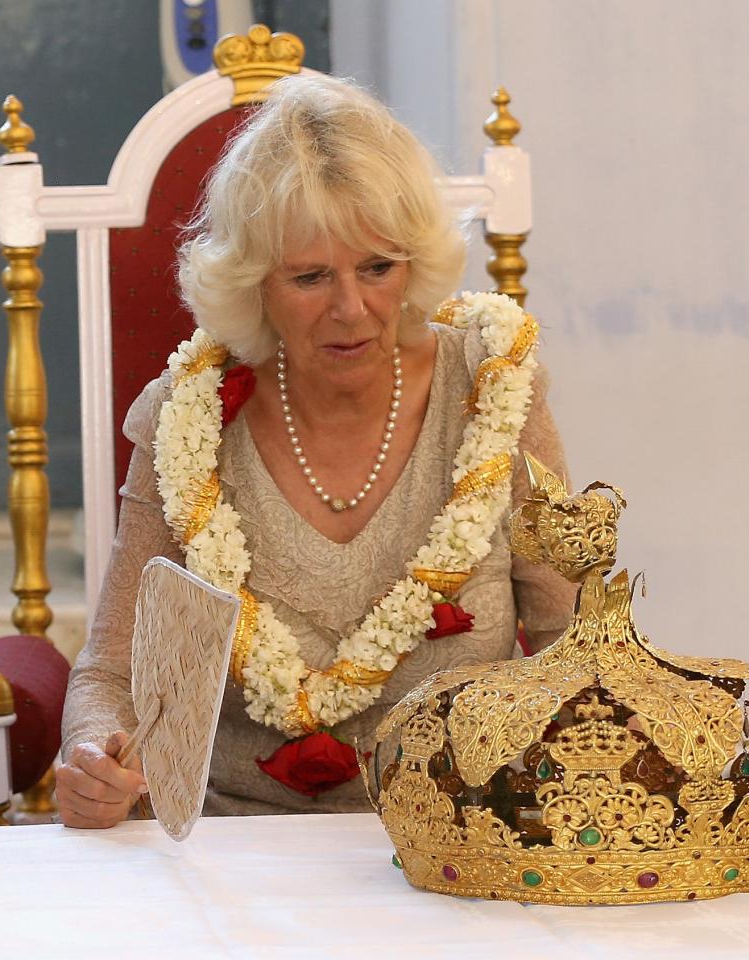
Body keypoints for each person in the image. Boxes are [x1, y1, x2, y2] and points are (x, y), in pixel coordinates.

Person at [55, 74, 576, 827]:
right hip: (231, 845)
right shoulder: (188, 417)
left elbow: (574, 641)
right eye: (309, 276)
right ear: (253, 284)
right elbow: (112, 672)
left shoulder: (493, 388)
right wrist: (91, 757)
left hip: (463, 841)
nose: (351, 308)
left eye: (378, 268)